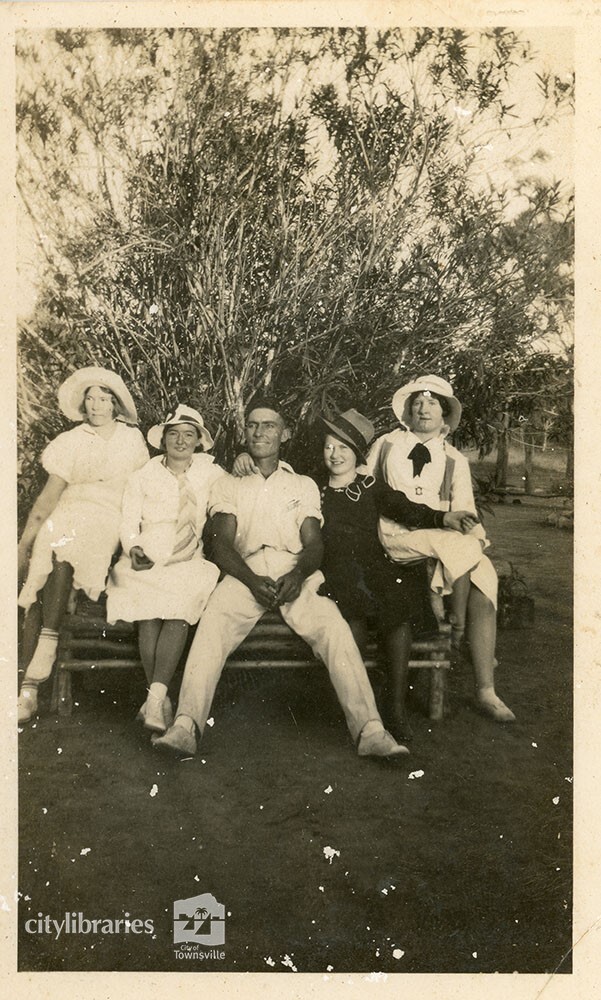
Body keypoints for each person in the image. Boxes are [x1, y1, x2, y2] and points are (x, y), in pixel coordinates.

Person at [153, 399, 409, 760]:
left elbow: (314, 542)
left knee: (333, 627)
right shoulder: (228, 483)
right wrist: (251, 579)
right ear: (245, 432)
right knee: (213, 622)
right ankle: (185, 726)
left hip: (295, 570)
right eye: (253, 425)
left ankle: (371, 731)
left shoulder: (302, 484)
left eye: (269, 425)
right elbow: (222, 543)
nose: (260, 432)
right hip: (245, 571)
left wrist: (299, 574)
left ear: (284, 433)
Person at [365, 374, 516, 723]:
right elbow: (367, 488)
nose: (424, 407)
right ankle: (458, 632)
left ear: (446, 413)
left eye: (433, 402)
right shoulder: (387, 444)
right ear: (407, 410)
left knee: (483, 576)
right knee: (461, 556)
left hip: (442, 540)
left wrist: (469, 537)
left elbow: (465, 513)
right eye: (418, 401)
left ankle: (485, 690)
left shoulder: (453, 459)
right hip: (395, 536)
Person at [318, 408, 473, 740]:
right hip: (334, 572)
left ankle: (395, 710)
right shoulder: (313, 488)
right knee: (352, 623)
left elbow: (407, 509)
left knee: (398, 613)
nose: (335, 454)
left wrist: (444, 519)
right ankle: (357, 714)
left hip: (373, 568)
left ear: (358, 454)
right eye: (330, 446)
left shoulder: (370, 486)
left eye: (344, 448)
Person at [17, 367, 149, 724]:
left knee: (69, 547)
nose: (96, 405)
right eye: (90, 398)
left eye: (104, 398)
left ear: (116, 404)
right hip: (70, 508)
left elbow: (140, 493)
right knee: (46, 563)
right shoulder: (71, 441)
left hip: (110, 515)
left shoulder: (131, 440)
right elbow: (49, 498)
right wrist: (24, 542)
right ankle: (27, 692)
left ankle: (38, 663)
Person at [106, 405, 224, 735]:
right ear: (163, 439)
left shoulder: (210, 472)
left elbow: (236, 486)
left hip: (188, 557)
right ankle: (158, 700)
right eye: (174, 434)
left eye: (189, 435)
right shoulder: (142, 476)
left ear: (199, 442)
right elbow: (128, 523)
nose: (181, 441)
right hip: (148, 551)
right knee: (148, 610)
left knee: (179, 608)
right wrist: (134, 548)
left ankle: (154, 700)